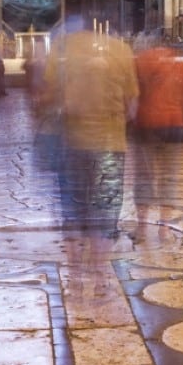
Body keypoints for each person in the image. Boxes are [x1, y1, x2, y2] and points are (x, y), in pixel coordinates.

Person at [43, 16, 139, 243]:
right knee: (106, 202)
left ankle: (76, 259)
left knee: (74, 202)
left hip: (72, 140)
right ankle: (101, 264)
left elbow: (49, 95)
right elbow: (132, 104)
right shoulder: (121, 49)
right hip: (110, 142)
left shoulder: (62, 48)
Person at [131, 38, 183, 242]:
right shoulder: (181, 63)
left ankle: (142, 229)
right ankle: (164, 230)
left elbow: (133, 93)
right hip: (174, 123)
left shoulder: (140, 60)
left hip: (146, 123)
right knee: (169, 178)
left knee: (144, 177)